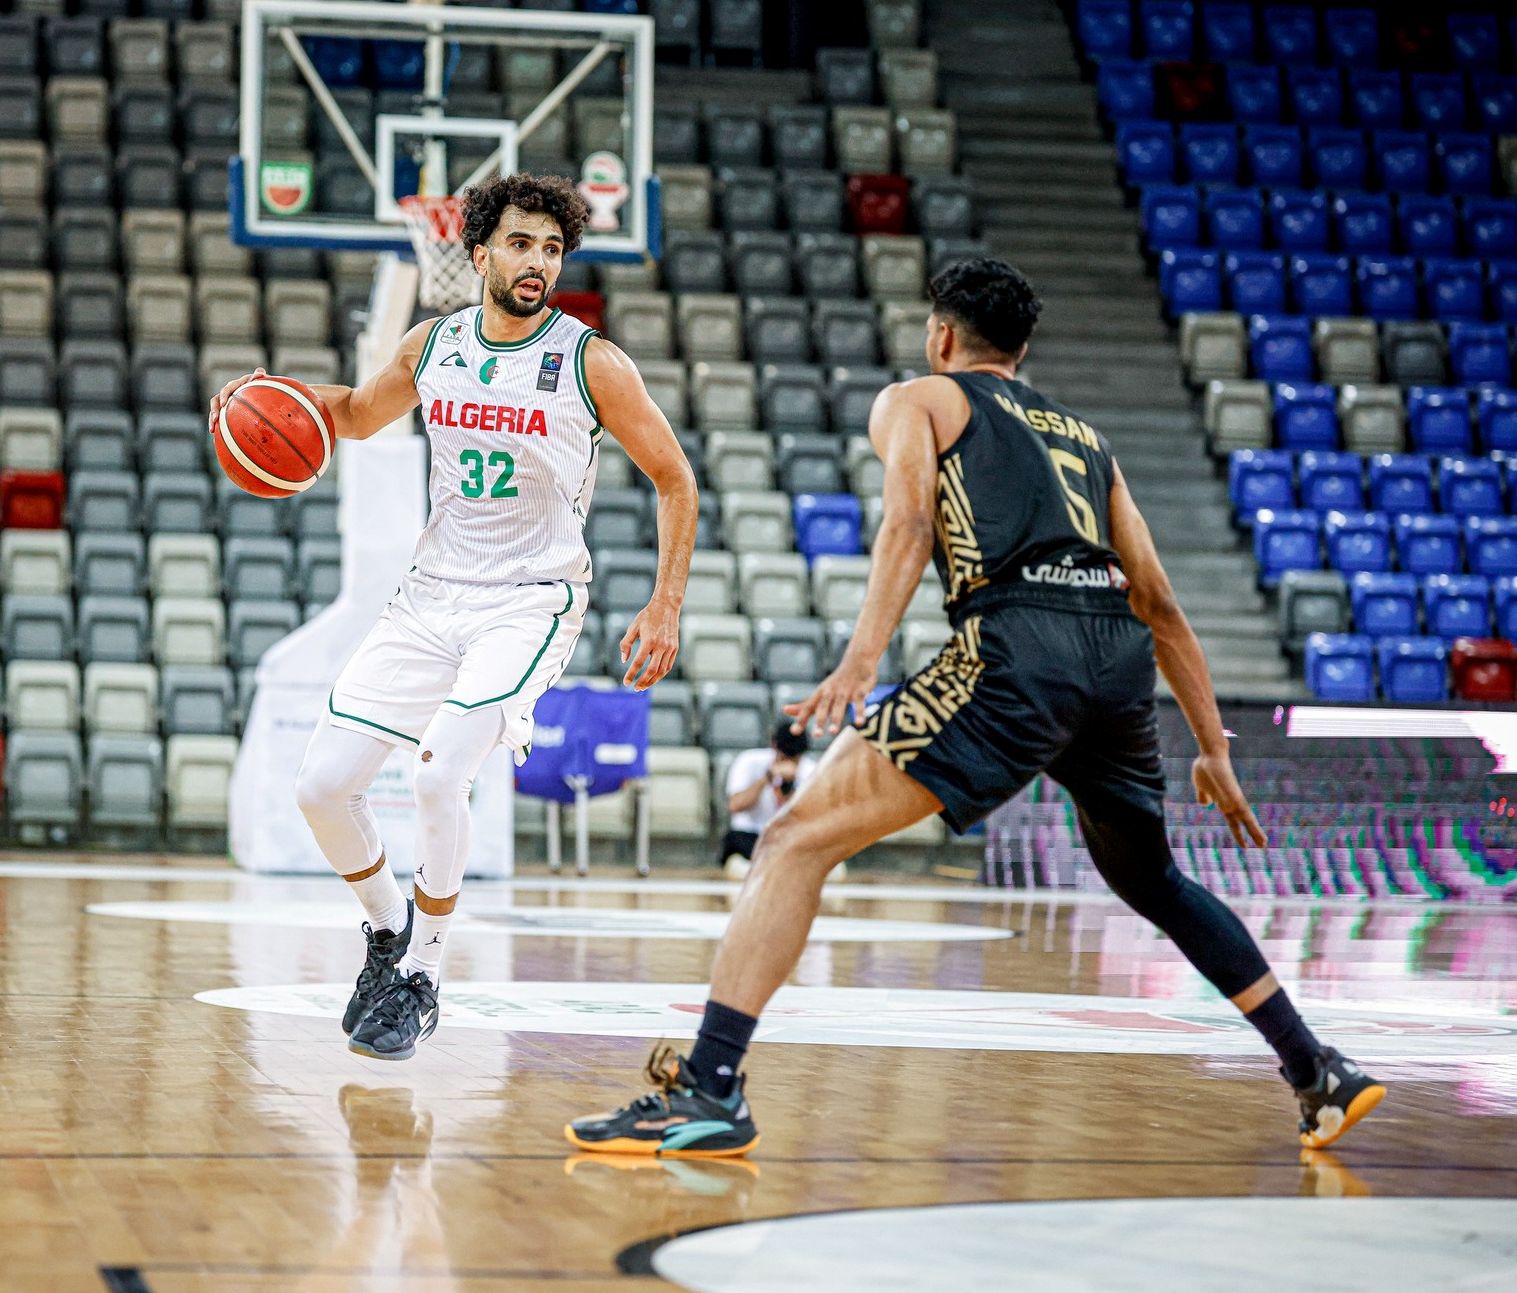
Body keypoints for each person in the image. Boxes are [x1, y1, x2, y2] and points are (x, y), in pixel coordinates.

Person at [565, 258, 1384, 1157]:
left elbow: (909, 523)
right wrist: (1212, 749)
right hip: (1113, 662)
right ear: (1021, 348)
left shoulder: (917, 399)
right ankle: (1314, 1070)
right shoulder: (1083, 437)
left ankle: (710, 1089)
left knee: (793, 840)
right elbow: (1158, 601)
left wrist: (858, 662)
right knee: (1153, 882)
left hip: (1014, 649)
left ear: (940, 335)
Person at [209, 173, 698, 1062]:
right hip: (430, 593)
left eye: (551, 249)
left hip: (529, 601)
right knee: (322, 787)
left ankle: (424, 978)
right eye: (519, 244)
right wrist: (282, 397)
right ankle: (388, 935)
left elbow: (675, 478)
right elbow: (357, 417)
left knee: (439, 779)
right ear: (477, 254)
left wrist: (665, 603)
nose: (536, 263)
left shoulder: (592, 362)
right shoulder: (433, 344)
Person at [720, 720, 815, 879]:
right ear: (774, 747)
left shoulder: (810, 770)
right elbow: (735, 805)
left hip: (788, 837)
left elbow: (809, 816)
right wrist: (767, 778)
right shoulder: (749, 761)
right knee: (739, 859)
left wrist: (789, 789)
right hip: (750, 836)